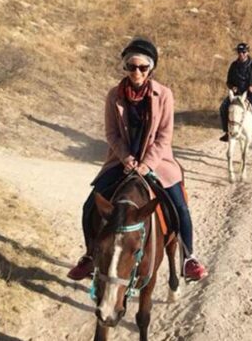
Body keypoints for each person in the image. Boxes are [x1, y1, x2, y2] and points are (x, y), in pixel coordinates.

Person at [67, 38, 208, 282]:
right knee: (90, 204)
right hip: (122, 162)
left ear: (150, 69)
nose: (137, 72)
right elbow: (111, 134)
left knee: (179, 207)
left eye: (143, 67)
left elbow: (165, 135)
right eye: (132, 67)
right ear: (125, 67)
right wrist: (128, 159)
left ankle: (188, 257)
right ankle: (90, 255)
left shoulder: (164, 94)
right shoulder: (114, 95)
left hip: (158, 163)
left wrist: (147, 164)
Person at [219, 43, 252, 142]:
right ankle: (226, 132)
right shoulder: (234, 65)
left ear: (247, 52)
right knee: (223, 107)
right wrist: (232, 87)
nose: (241, 54)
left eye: (244, 52)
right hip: (238, 94)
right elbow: (228, 81)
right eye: (239, 52)